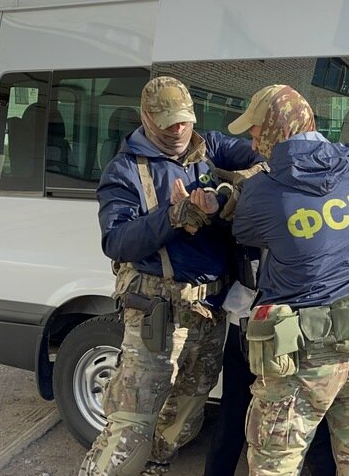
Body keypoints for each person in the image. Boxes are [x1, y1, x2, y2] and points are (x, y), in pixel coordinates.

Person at [80, 76, 261, 476]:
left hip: (209, 311)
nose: (178, 130)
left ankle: (156, 468)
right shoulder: (125, 170)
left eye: (184, 120)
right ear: (146, 118)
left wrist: (229, 194)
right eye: (167, 124)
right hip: (157, 313)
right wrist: (174, 215)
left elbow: (267, 157)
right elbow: (117, 241)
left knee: (183, 418)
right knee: (130, 427)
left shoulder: (210, 148)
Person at [229, 84, 349, 476]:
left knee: (275, 466)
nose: (253, 145)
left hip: (299, 355)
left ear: (276, 130)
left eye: (256, 133)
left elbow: (245, 232)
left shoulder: (261, 192)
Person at [203, 244, 336, 476]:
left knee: (234, 416)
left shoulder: (259, 220)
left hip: (262, 320)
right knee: (307, 415)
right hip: (278, 323)